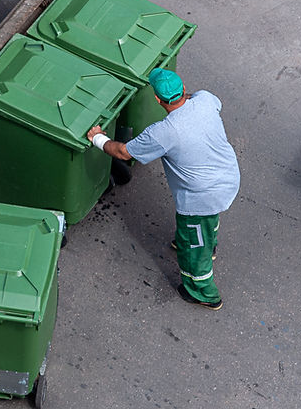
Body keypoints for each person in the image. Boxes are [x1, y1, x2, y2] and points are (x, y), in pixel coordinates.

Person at [87, 69, 239, 310]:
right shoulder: (206, 100)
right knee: (207, 221)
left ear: (157, 100)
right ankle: (207, 245)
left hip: (201, 196)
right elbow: (202, 102)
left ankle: (203, 292)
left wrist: (97, 138)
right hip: (227, 177)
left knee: (194, 246)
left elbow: (122, 153)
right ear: (184, 88)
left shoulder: (163, 132)